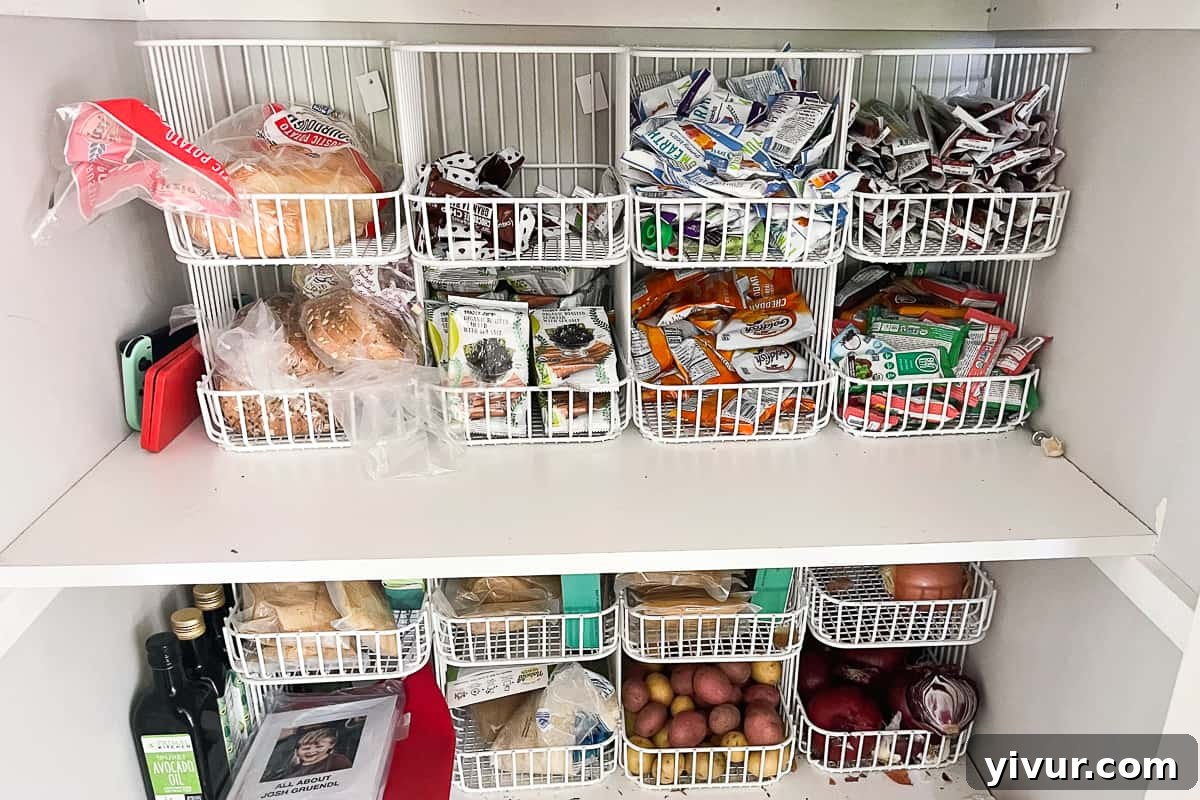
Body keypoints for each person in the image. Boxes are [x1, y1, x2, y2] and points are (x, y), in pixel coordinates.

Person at [272, 727, 353, 779]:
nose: (311, 752)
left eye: (319, 747)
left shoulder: (338, 761)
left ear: (331, 745)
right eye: (306, 748)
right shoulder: (292, 769)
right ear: (297, 750)